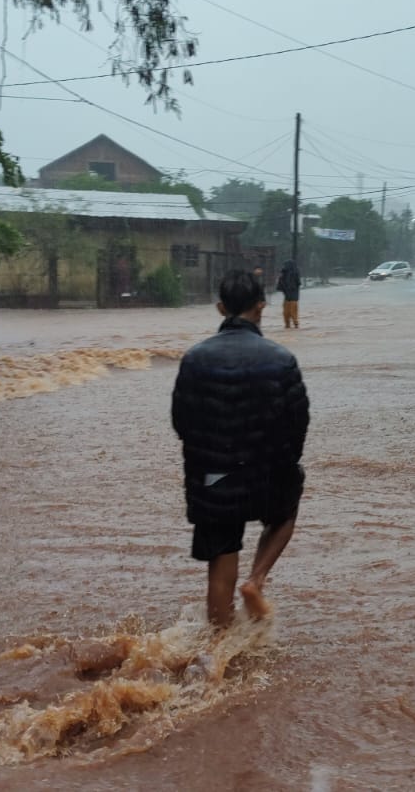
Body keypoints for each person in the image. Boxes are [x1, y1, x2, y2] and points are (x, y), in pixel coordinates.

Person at [172, 270, 310, 627]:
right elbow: (297, 424)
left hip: (214, 476)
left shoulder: (194, 358)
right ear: (261, 306)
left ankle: (218, 647)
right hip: (265, 475)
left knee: (221, 555)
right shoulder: (281, 359)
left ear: (221, 308)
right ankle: (257, 579)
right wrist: (284, 465)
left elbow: (181, 422)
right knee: (285, 512)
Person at [277, 259, 302, 329]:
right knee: (286, 312)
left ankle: (295, 324)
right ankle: (288, 325)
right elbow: (280, 284)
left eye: (285, 265)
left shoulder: (295, 272)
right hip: (287, 295)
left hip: (293, 296)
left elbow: (298, 283)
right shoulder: (284, 273)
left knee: (293, 311)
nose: (284, 266)